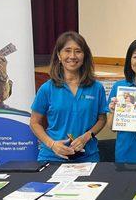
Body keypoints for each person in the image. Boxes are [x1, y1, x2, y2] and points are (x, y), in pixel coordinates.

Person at [30, 31, 107, 162]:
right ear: (59, 56)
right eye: (67, 50)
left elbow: (102, 119)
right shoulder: (47, 88)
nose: (72, 56)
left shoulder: (96, 88)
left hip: (87, 157)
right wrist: (52, 144)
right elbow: (34, 122)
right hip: (52, 156)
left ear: (84, 57)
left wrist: (87, 136)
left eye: (78, 51)